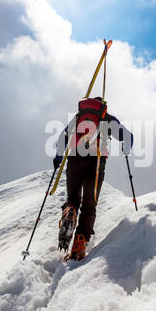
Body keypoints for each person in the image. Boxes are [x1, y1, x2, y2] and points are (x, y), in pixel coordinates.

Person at [53, 97, 133, 261]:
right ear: (102, 106)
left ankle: (70, 211)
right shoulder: (106, 118)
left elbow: (62, 139)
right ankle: (78, 247)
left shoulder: (78, 117)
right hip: (96, 161)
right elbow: (128, 136)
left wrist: (58, 158)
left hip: (75, 158)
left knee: (72, 199)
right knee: (89, 205)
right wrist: (126, 148)